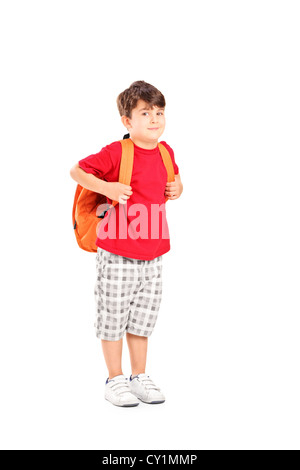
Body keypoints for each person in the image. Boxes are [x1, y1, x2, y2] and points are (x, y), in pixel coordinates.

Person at [70, 80, 183, 407]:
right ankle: (114, 378)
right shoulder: (117, 152)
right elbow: (77, 171)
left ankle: (138, 376)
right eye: (145, 112)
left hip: (154, 251)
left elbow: (174, 179)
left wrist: (179, 188)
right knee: (113, 315)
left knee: (142, 319)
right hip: (118, 250)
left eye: (159, 112)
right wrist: (107, 189)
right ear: (127, 121)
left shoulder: (165, 151)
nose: (154, 119)